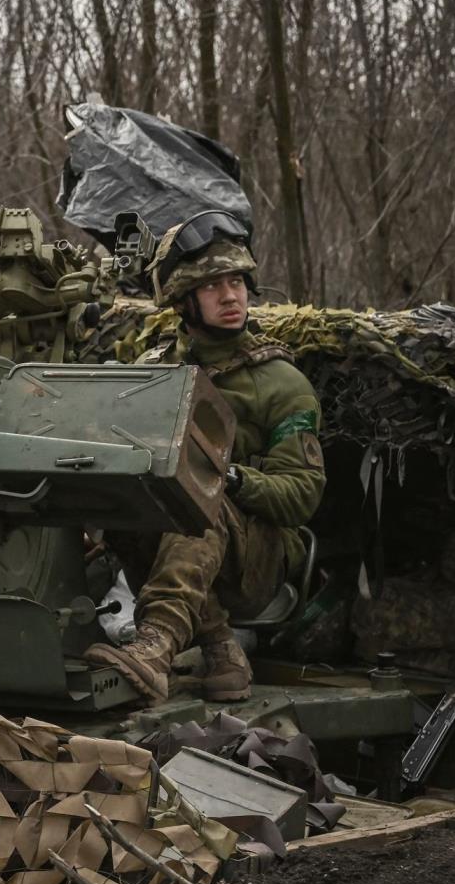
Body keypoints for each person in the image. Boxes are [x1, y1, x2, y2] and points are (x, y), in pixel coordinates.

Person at [86, 213, 325, 704]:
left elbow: (303, 494)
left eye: (236, 282)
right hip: (184, 548)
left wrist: (231, 479)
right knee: (129, 503)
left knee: (200, 497)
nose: (232, 296)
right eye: (214, 286)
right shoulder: (159, 373)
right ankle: (221, 652)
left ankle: (155, 649)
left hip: (258, 562)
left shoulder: (281, 383)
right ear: (184, 300)